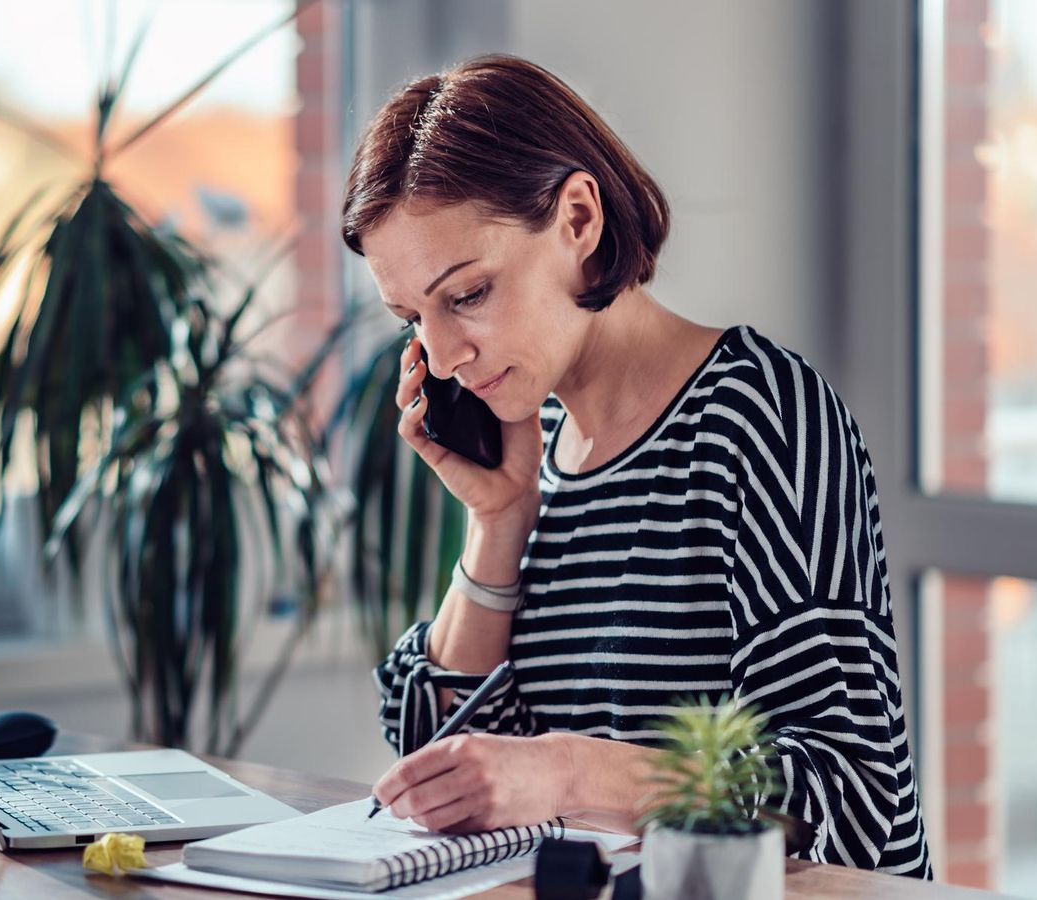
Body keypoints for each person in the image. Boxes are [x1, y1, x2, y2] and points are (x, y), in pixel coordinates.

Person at [344, 54, 930, 877]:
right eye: (413, 317)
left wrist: (573, 770)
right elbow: (445, 772)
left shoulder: (758, 418)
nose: (439, 359)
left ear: (579, 219)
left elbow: (857, 802)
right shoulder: (533, 444)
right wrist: (497, 526)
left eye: (467, 294)